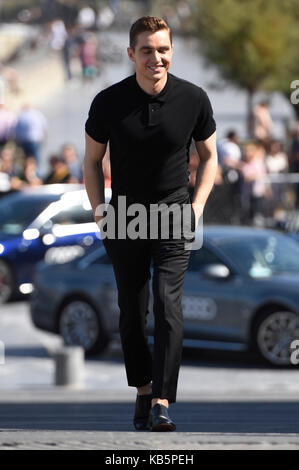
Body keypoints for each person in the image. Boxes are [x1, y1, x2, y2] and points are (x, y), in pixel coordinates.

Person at [84, 16, 217, 432]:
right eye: (147, 50)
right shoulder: (108, 102)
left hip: (175, 214)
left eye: (163, 49)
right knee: (131, 311)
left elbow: (210, 158)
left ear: (171, 52)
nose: (156, 58)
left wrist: (196, 206)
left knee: (167, 304)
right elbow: (91, 161)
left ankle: (161, 400)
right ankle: (142, 389)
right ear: (131, 54)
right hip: (124, 217)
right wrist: (99, 210)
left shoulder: (193, 99)